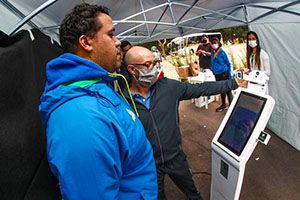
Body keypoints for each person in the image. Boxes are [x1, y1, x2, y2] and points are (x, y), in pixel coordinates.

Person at [38, 3, 157, 200]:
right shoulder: (80, 116)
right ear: (85, 42)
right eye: (111, 34)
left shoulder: (96, 86)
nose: (117, 42)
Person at [123, 46, 247, 200]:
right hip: (148, 165)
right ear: (132, 69)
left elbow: (201, 88)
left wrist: (233, 83)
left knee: (193, 194)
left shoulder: (169, 87)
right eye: (148, 65)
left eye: (155, 63)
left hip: (175, 157)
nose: (153, 68)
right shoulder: (122, 101)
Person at [210, 37, 234, 112]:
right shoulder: (212, 52)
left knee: (228, 90)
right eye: (213, 43)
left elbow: (229, 63)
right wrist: (213, 69)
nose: (214, 44)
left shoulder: (223, 52)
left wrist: (230, 76)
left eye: (215, 42)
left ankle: (232, 106)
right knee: (221, 90)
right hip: (217, 74)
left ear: (219, 43)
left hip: (225, 73)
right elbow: (213, 62)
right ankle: (223, 105)